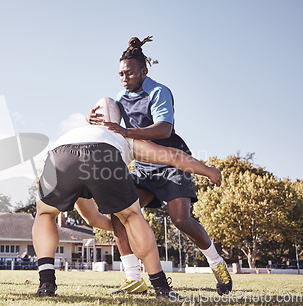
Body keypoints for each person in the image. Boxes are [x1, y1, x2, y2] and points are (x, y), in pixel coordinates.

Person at [33, 97, 221, 299]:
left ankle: (46, 284)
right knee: (132, 216)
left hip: (60, 156)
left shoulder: (74, 132)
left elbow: (92, 219)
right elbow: (173, 156)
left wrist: (121, 229)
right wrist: (208, 171)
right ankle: (161, 288)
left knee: (45, 213)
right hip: (104, 153)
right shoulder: (122, 136)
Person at [86, 36, 232, 296]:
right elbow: (110, 122)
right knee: (121, 212)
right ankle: (133, 278)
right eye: (120, 74)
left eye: (130, 73)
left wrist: (126, 130)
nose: (124, 78)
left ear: (144, 71)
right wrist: (91, 116)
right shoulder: (120, 96)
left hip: (170, 163)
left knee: (181, 220)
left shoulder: (159, 91)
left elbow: (164, 129)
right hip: (142, 167)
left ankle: (216, 263)